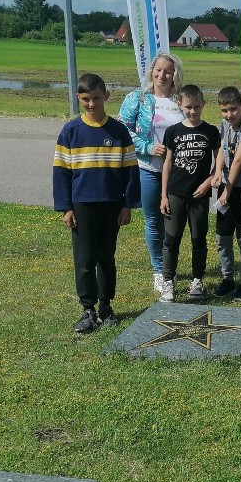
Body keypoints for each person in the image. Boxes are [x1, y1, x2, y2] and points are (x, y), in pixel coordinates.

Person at [53, 73, 140, 333]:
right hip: (83, 204)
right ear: (80, 99)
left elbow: (130, 171)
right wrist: (66, 207)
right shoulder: (70, 131)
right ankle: (88, 310)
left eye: (96, 98)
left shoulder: (118, 130)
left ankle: (106, 306)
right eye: (86, 99)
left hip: (112, 204)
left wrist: (127, 205)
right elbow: (61, 172)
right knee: (85, 258)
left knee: (106, 257)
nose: (92, 104)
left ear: (106, 96)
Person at [118, 53, 185, 295]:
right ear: (151, 72)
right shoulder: (138, 99)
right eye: (158, 70)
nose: (162, 75)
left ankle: (170, 266)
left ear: (175, 75)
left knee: (173, 223)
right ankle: (160, 271)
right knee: (153, 222)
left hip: (177, 173)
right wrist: (148, 147)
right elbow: (122, 129)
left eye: (168, 71)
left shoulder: (181, 101)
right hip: (148, 169)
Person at [159, 85, 221, 302]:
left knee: (198, 239)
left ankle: (197, 280)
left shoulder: (211, 131)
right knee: (171, 239)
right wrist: (164, 195)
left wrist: (209, 181)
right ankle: (168, 282)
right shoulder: (173, 131)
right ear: (180, 105)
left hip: (199, 196)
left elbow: (218, 161)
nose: (193, 111)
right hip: (175, 193)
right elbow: (167, 164)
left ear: (203, 104)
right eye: (188, 107)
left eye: (196, 106)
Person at [212, 87, 241, 300]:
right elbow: (222, 149)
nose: (229, 115)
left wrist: (228, 191)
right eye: (224, 110)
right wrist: (218, 171)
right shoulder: (224, 125)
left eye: (233, 109)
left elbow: (238, 159)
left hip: (240, 189)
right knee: (222, 235)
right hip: (226, 188)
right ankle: (227, 278)